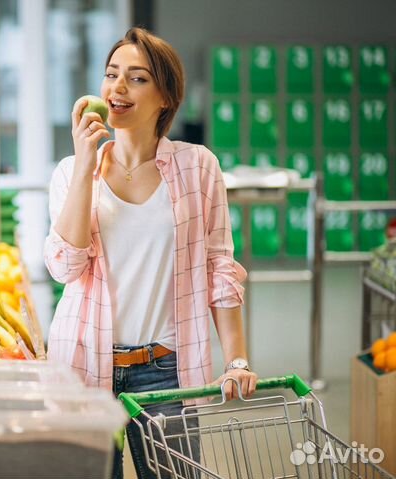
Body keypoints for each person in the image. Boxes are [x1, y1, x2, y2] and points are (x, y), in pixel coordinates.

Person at [44, 27, 258, 479]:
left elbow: (220, 267)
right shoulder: (71, 171)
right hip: (82, 363)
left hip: (165, 372)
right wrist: (85, 164)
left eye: (137, 78)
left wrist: (236, 360)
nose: (118, 88)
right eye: (111, 75)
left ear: (165, 97)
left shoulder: (198, 166)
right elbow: (64, 266)